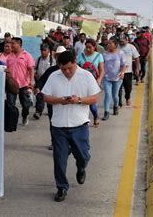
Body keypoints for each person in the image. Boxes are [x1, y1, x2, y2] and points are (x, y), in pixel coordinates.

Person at [41, 51, 101, 202]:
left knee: (83, 155)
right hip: (58, 125)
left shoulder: (86, 76)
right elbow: (46, 97)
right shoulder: (54, 76)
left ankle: (81, 167)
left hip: (79, 124)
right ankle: (61, 187)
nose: (67, 72)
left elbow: (95, 97)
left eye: (70, 68)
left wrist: (79, 100)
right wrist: (60, 100)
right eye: (63, 69)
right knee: (59, 159)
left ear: (75, 62)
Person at [34, 46, 67, 150]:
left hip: (66, 102)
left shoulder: (71, 70)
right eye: (57, 56)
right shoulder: (51, 70)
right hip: (52, 102)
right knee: (53, 123)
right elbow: (42, 80)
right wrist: (38, 87)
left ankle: (66, 142)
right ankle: (54, 142)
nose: (59, 58)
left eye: (61, 56)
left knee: (65, 123)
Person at [6, 37, 35, 126]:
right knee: (10, 104)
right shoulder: (9, 57)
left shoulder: (27, 55)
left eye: (13, 43)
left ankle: (24, 116)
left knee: (26, 105)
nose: (11, 45)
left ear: (19, 44)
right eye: (10, 43)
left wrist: (31, 81)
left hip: (24, 85)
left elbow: (31, 69)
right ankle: (12, 121)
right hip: (12, 85)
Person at [76, 39, 104, 126]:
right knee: (82, 102)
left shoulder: (99, 56)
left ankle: (95, 116)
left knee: (92, 104)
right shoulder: (80, 56)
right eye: (86, 47)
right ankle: (83, 120)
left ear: (94, 47)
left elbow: (102, 70)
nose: (87, 49)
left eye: (90, 47)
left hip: (94, 82)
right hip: (82, 82)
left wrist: (99, 79)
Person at [102, 40, 127, 119]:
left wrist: (122, 72)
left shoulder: (120, 53)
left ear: (115, 45)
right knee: (108, 94)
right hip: (106, 77)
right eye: (108, 43)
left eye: (110, 43)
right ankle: (106, 112)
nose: (108, 45)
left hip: (117, 77)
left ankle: (115, 106)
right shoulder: (104, 54)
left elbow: (124, 65)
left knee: (115, 95)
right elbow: (101, 65)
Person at [33, 44, 56, 120]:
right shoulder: (38, 59)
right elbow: (34, 68)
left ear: (48, 51)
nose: (43, 52)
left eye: (44, 50)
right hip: (40, 81)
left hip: (49, 82)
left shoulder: (52, 60)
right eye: (41, 50)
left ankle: (51, 112)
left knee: (48, 98)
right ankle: (38, 112)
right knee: (39, 96)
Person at [118, 36, 140, 107]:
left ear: (127, 41)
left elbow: (136, 58)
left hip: (128, 71)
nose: (121, 43)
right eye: (120, 41)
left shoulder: (131, 47)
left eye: (123, 41)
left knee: (128, 87)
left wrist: (137, 69)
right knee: (118, 88)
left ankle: (127, 97)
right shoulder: (117, 47)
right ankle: (119, 102)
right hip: (118, 71)